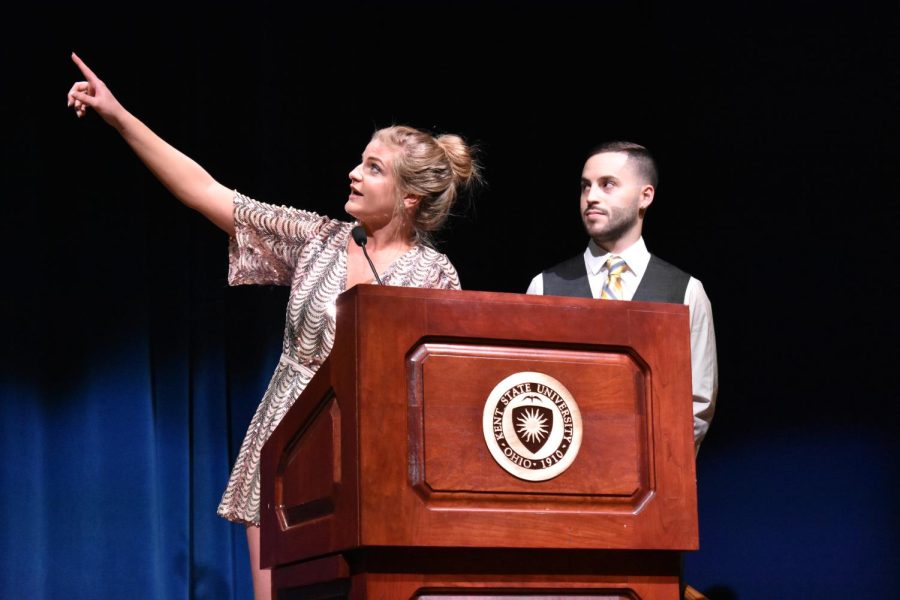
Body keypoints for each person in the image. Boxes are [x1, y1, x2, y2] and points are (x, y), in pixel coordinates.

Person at [67, 52, 479, 599]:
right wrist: (118, 115)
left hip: (369, 464)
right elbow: (208, 192)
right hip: (284, 449)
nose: (354, 173)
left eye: (374, 168)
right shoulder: (318, 239)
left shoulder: (435, 276)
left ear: (409, 197)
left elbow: (440, 394)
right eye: (360, 160)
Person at [526, 141, 717, 453]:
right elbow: (531, 387)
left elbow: (696, 404)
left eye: (608, 185)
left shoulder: (684, 291)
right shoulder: (545, 287)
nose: (592, 197)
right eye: (586, 186)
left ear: (646, 196)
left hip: (651, 480)